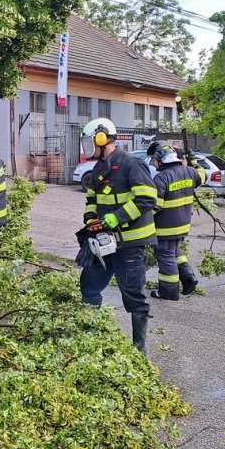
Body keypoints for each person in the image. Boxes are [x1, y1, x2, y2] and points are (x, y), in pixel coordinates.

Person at [77, 118, 157, 353]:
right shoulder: (98, 169)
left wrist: (118, 217)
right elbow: (91, 200)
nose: (87, 146)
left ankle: (139, 350)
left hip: (131, 242)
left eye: (90, 140)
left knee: (133, 294)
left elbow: (147, 198)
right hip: (104, 242)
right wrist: (91, 220)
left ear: (102, 138)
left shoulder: (131, 164)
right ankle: (91, 338)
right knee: (89, 285)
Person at [146, 142, 206, 300]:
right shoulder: (190, 172)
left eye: (154, 159)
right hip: (183, 226)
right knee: (175, 252)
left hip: (166, 228)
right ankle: (189, 279)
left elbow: (155, 207)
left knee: (165, 256)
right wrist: (193, 160)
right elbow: (202, 175)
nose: (153, 163)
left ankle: (169, 292)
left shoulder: (161, 177)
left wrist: (139, 220)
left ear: (161, 159)